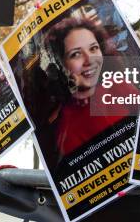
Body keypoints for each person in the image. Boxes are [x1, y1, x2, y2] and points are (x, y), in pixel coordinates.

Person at [45, 17, 134, 158]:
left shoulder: (118, 85)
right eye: (76, 54)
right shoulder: (66, 128)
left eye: (93, 48)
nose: (89, 59)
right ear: (61, 65)